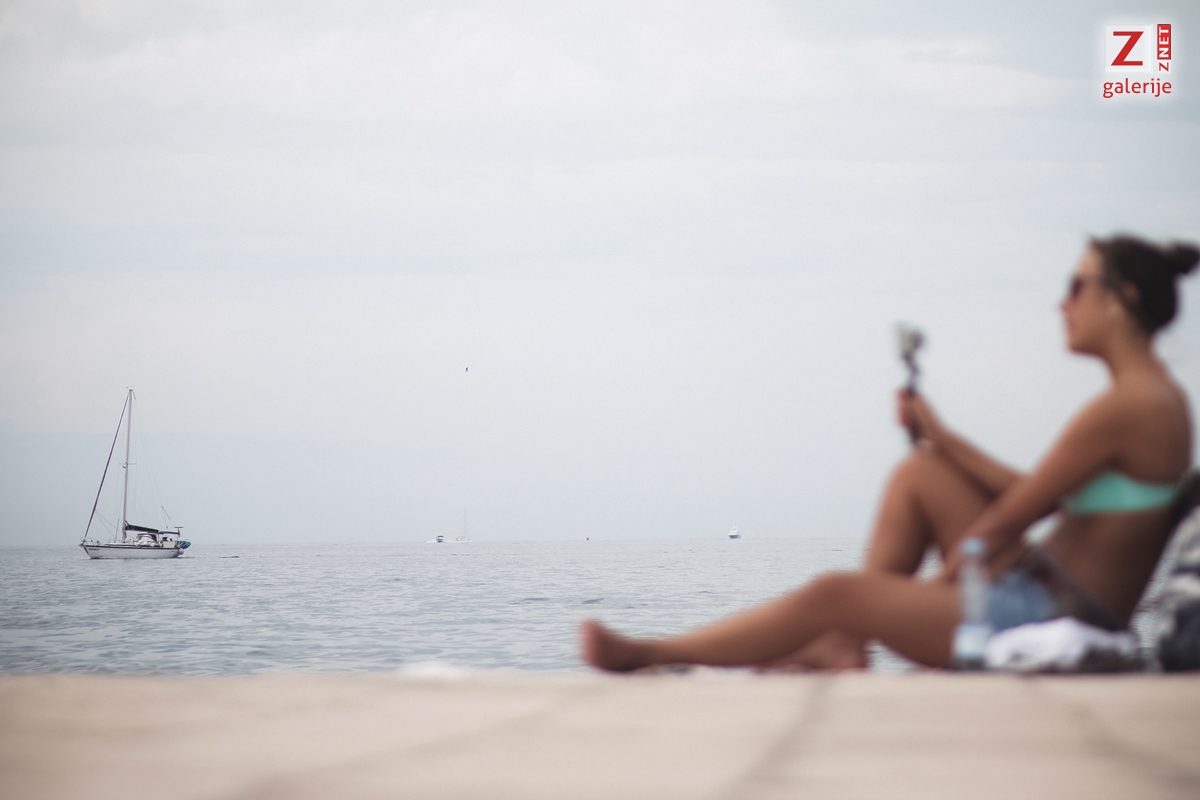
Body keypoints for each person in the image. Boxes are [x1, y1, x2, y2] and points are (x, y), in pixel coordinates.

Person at [582, 235, 1199, 672]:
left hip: (1045, 618)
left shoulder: (1129, 405)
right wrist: (942, 439)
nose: (1063, 303)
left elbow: (1013, 517)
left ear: (1121, 298)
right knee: (921, 472)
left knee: (837, 593)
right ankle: (841, 644)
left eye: (1077, 285)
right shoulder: (1153, 398)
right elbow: (1049, 497)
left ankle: (653, 653)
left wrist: (942, 584)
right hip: (1049, 588)